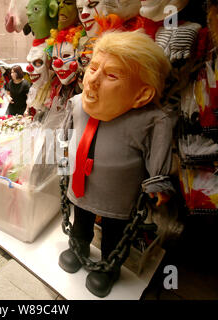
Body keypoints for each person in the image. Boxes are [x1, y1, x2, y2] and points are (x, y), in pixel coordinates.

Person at [59, 30, 175, 297]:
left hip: (118, 196)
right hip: (80, 187)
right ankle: (78, 247)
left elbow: (158, 153)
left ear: (142, 94)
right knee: (81, 220)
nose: (93, 81)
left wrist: (158, 182)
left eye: (111, 75)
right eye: (93, 68)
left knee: (114, 232)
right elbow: (63, 136)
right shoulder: (77, 104)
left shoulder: (151, 120)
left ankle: (109, 267)